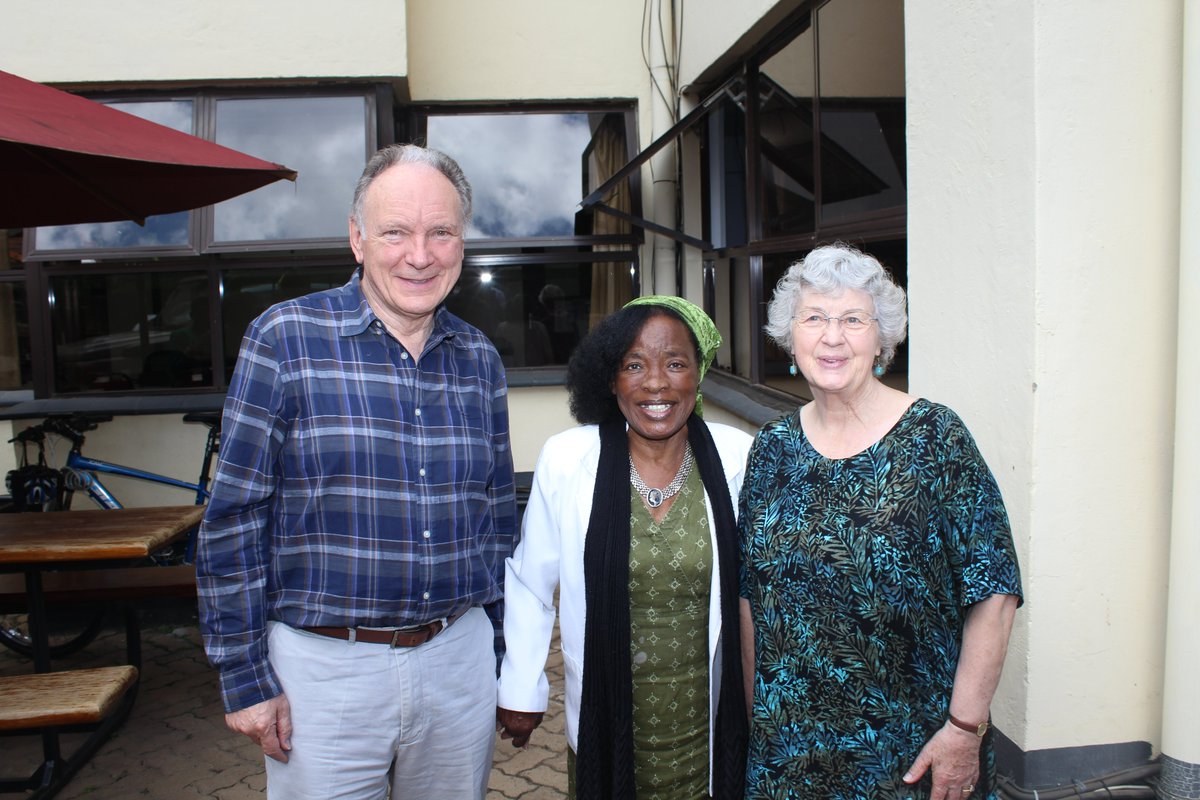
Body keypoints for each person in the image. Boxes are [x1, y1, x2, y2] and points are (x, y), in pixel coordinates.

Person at [196, 143, 518, 800]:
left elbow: (495, 519)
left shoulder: (479, 359)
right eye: (396, 231)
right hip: (324, 675)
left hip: (457, 660)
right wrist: (245, 678)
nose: (419, 254)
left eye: (440, 232)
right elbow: (233, 521)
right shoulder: (284, 340)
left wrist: (500, 655)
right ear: (358, 239)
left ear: (462, 242)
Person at [739, 243, 1023, 800]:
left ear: (881, 339)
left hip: (913, 757)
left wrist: (964, 731)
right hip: (788, 757)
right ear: (790, 336)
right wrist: (758, 724)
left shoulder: (936, 439)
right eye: (814, 317)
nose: (833, 336)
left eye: (852, 319)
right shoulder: (771, 448)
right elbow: (752, 595)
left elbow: (994, 592)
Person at [497, 296, 751, 800]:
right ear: (609, 378)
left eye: (675, 363)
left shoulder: (737, 456)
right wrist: (521, 687)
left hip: (706, 719)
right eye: (634, 365)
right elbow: (530, 582)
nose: (656, 383)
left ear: (698, 374)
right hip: (607, 715)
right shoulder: (569, 458)